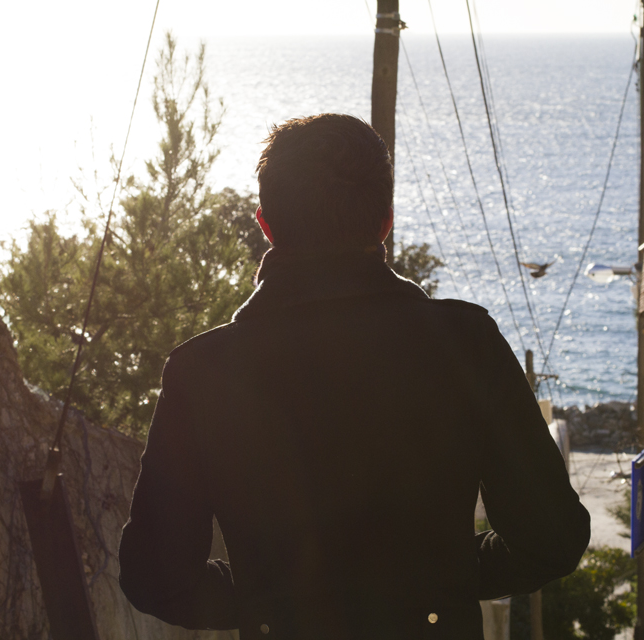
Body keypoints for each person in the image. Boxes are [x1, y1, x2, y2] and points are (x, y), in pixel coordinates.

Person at [119, 113, 589, 640]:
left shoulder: (202, 371)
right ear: (386, 221)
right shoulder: (466, 344)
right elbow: (552, 538)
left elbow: (154, 578)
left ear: (266, 224)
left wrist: (267, 604)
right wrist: (437, 582)